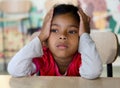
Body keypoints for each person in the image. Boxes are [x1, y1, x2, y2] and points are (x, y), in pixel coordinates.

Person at [7, 4, 103, 79]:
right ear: (46, 38)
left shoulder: (83, 59)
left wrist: (85, 35)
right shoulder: (43, 58)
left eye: (72, 31)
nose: (62, 36)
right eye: (54, 30)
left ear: (80, 38)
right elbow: (15, 70)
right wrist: (41, 37)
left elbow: (93, 72)